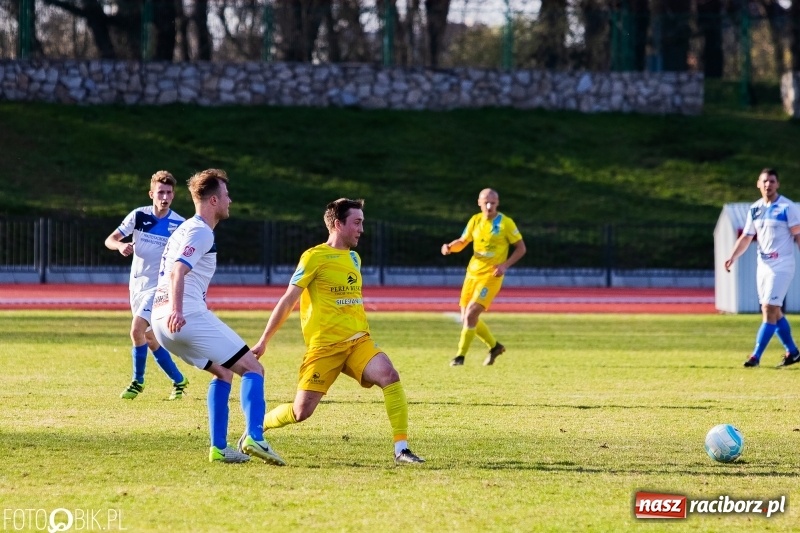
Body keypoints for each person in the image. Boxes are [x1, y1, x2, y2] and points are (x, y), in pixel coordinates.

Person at [252, 198, 425, 466]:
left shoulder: (354, 258)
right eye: (356, 223)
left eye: (362, 223)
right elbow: (288, 300)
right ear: (337, 224)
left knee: (389, 375)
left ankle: (401, 449)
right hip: (324, 348)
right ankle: (255, 430)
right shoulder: (314, 257)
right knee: (300, 412)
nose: (361, 229)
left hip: (358, 342)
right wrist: (264, 341)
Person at [151, 168, 285, 465]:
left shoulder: (184, 229)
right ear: (213, 201)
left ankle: (219, 448)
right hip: (183, 316)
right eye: (226, 195)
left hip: (160, 323)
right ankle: (255, 437)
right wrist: (178, 309)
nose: (230, 200)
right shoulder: (200, 230)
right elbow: (177, 271)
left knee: (223, 371)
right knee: (253, 368)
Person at [104, 171, 188, 400]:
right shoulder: (139, 216)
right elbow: (110, 239)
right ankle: (179, 380)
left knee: (136, 330)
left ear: (173, 195)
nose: (165, 196)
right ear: (152, 194)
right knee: (149, 339)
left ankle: (137, 382)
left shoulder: (180, 224)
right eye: (160, 192)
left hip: (159, 288)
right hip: (137, 287)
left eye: (169, 192)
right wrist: (120, 246)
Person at [441, 188, 526, 367]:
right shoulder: (475, 220)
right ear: (479, 202)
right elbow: (463, 241)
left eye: (493, 203)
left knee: (472, 313)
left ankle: (460, 356)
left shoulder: (506, 223)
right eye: (486, 202)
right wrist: (449, 247)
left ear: (497, 203)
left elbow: (521, 248)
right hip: (472, 274)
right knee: (467, 318)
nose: (489, 206)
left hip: (491, 275)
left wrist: (504, 265)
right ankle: (495, 347)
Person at [725, 168, 800, 368]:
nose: (768, 185)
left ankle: (755, 357)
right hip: (763, 266)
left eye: (772, 181)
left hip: (782, 265)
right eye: (765, 181)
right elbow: (747, 236)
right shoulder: (755, 209)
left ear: (778, 184)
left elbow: (798, 235)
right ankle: (793, 352)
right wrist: (732, 257)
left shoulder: (787, 207)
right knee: (774, 312)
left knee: (769, 309)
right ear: (758, 184)